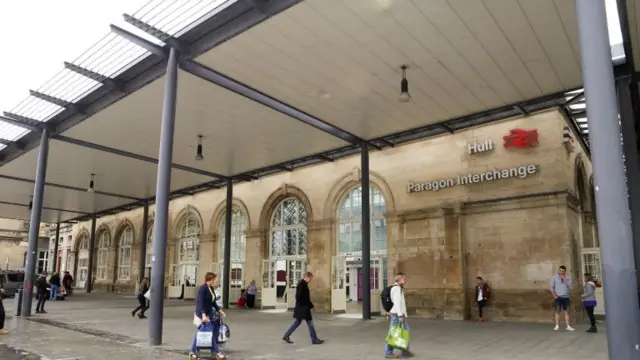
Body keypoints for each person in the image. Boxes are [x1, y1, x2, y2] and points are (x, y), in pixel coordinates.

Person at [189, 272, 226, 360]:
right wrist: (203, 315)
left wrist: (219, 310)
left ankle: (192, 352)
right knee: (205, 333)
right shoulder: (203, 288)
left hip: (208, 314)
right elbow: (200, 302)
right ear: (211, 279)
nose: (216, 280)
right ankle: (217, 353)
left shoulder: (211, 288)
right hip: (203, 315)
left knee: (204, 333)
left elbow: (212, 302)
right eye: (215, 279)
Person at [282, 271, 324, 345]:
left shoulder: (304, 284)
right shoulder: (301, 285)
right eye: (310, 278)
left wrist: (310, 305)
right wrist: (311, 306)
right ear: (307, 277)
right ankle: (314, 339)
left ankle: (286, 335)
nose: (310, 280)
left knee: (297, 322)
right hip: (303, 308)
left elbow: (305, 298)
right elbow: (299, 297)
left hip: (303, 308)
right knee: (309, 323)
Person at [384, 272, 413, 359]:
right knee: (393, 333)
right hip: (397, 314)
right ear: (399, 279)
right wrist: (400, 315)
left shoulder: (399, 288)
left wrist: (404, 314)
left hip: (399, 314)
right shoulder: (396, 289)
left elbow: (401, 303)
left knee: (405, 331)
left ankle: (405, 350)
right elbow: (397, 303)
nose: (405, 280)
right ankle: (388, 352)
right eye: (404, 278)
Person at [550, 265, 575, 331]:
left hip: (566, 297)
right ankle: (557, 325)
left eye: (563, 271)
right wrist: (554, 295)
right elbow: (551, 287)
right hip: (558, 297)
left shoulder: (568, 278)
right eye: (560, 270)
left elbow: (571, 287)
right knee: (557, 311)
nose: (561, 272)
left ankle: (568, 326)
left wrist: (565, 280)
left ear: (565, 271)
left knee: (567, 311)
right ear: (558, 270)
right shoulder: (554, 277)